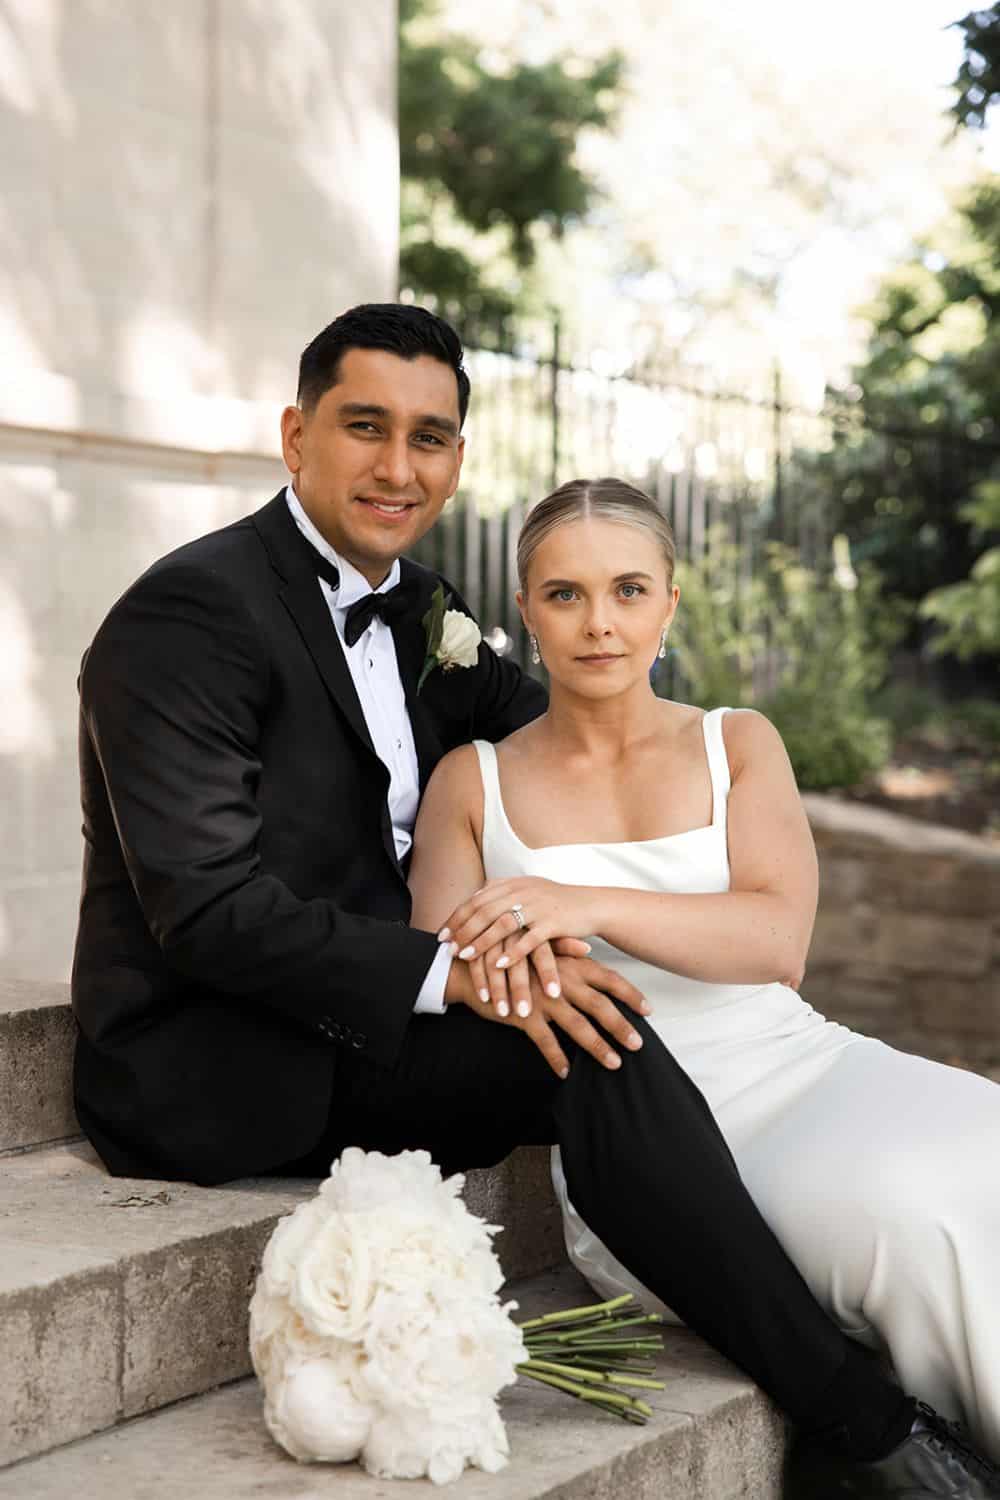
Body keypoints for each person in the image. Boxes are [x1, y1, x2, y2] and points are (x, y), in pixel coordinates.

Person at [73, 305, 973, 1497]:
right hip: (229, 1047)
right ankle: (863, 1430)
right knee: (590, 1028)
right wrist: (456, 968)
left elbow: (579, 722)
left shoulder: (423, 609)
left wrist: (682, 788)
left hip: (380, 1009)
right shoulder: (190, 615)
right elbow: (205, 909)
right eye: (364, 427)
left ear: (457, 458)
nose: (400, 468)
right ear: (295, 437)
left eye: (430, 437)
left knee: (588, 1015)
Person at [410, 474, 1000, 1497]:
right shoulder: (473, 781)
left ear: (669, 604)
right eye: (566, 594)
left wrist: (580, 902)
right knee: (911, 1218)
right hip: (648, 1136)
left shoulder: (737, 742)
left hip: (800, 1061)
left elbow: (777, 940)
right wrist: (517, 976)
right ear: (526, 611)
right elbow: (444, 972)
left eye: (629, 590)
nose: (600, 623)